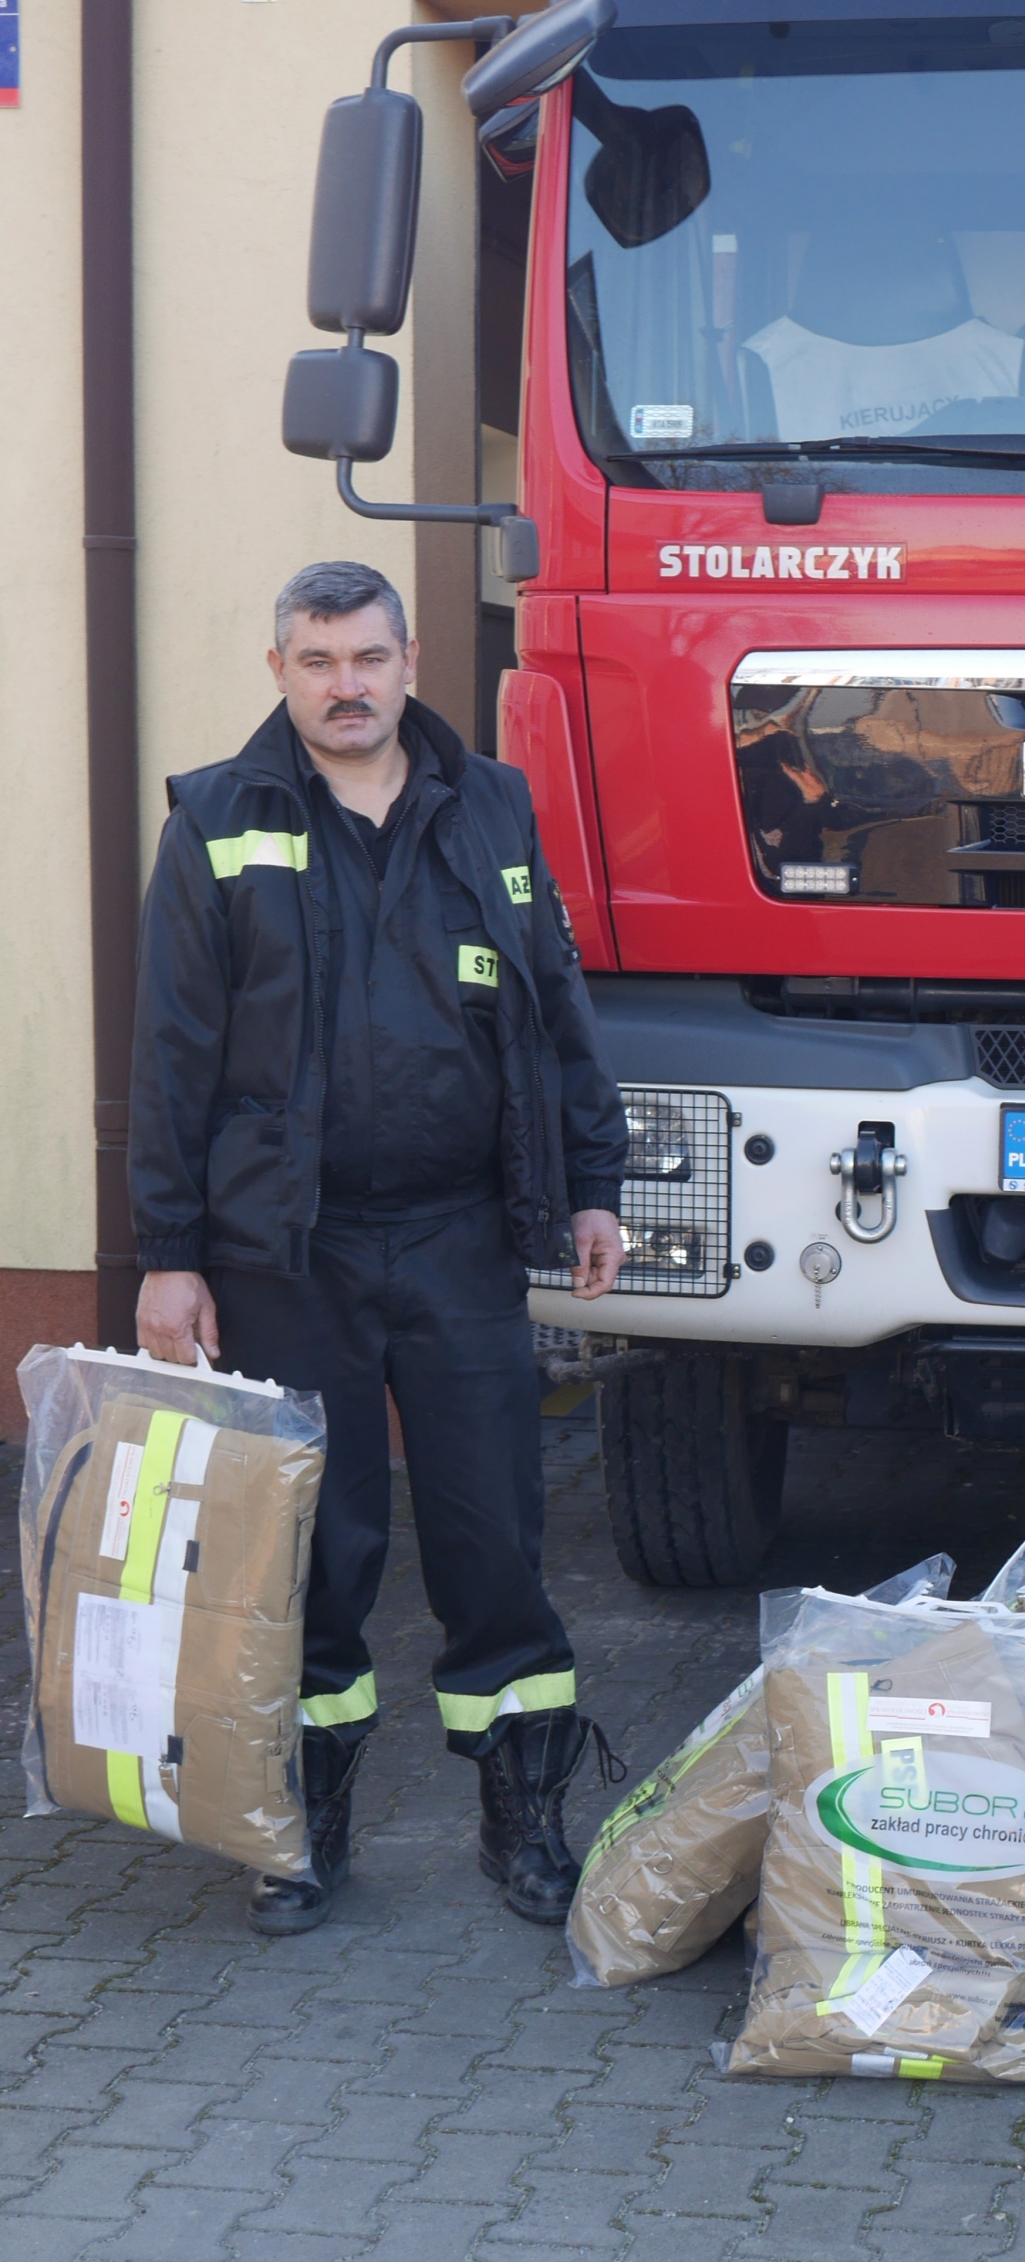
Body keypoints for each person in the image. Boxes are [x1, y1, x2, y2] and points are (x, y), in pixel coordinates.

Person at [129, 561, 632, 1937]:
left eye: (365, 657)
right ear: (278, 668)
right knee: (314, 1550)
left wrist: (592, 1182)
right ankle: (300, 1824)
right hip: (290, 1254)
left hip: (465, 1237)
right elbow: (172, 1053)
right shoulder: (220, 822)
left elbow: (554, 1005)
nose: (344, 685)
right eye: (315, 660)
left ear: (410, 660)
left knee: (494, 1541)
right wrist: (170, 1251)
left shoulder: (493, 809)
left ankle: (523, 1819)